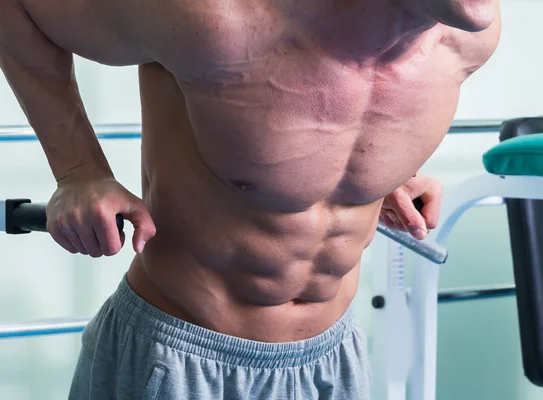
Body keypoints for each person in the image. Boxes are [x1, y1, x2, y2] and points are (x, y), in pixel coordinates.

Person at [0, 0, 501, 398]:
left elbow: (350, 120)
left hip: (333, 360)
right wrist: (79, 171)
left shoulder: (468, 37)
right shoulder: (221, 18)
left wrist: (389, 172)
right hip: (184, 362)